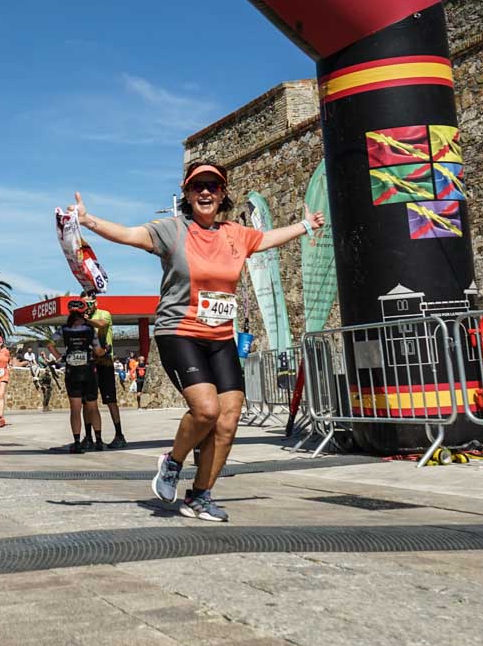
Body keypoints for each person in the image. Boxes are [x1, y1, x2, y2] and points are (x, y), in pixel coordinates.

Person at [69, 162, 323, 522]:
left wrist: (305, 225)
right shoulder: (172, 230)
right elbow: (128, 234)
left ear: (222, 194)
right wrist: (87, 220)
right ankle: (173, 462)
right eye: (197, 186)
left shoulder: (236, 234)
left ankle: (200, 496)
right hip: (180, 332)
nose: (205, 191)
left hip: (219, 337)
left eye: (213, 186)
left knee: (228, 420)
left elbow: (266, 239)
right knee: (206, 410)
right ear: (187, 194)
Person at [45, 298, 104, 452]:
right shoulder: (90, 329)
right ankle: (98, 441)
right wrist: (105, 351)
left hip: (72, 371)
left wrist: (60, 358)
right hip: (88, 369)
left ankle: (77, 442)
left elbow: (49, 344)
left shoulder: (63, 329)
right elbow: (98, 350)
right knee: (93, 406)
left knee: (75, 408)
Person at [83, 291, 127, 448]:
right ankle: (89, 437)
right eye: (83, 304)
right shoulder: (80, 319)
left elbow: (101, 324)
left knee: (110, 400)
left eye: (88, 303)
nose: (86, 306)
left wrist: (87, 320)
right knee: (87, 401)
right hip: (88, 362)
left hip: (105, 361)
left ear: (95, 303)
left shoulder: (104, 314)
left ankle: (119, 435)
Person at [0, 333, 23, 428]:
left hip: (3, 376)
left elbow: (9, 361)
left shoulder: (6, 352)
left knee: (1, 395)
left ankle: (1, 417)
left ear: (0, 343)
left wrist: (9, 366)